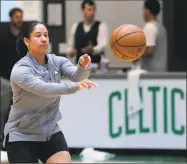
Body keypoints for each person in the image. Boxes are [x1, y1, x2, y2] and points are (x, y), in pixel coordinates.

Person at [3, 20, 97, 163]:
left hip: (49, 131)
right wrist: (75, 87)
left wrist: (83, 67)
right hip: (21, 135)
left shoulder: (57, 61)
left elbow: (78, 77)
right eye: (38, 35)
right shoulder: (20, 69)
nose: (44, 39)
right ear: (27, 41)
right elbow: (44, 89)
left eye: (46, 35)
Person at [67, 0, 108, 65]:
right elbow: (70, 46)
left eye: (94, 10)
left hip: (96, 66)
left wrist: (93, 49)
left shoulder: (101, 26)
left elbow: (102, 45)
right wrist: (70, 52)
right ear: (82, 11)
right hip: (80, 66)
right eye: (89, 10)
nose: (92, 13)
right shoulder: (75, 26)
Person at [134, 0, 167, 71]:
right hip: (161, 72)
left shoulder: (149, 27)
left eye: (143, 9)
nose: (142, 13)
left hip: (150, 74)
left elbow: (149, 50)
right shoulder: (161, 27)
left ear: (147, 11)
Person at [0, 7, 26, 80]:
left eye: (21, 17)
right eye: (17, 17)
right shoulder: (3, 33)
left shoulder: (25, 34)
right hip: (4, 74)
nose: (20, 20)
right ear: (11, 18)